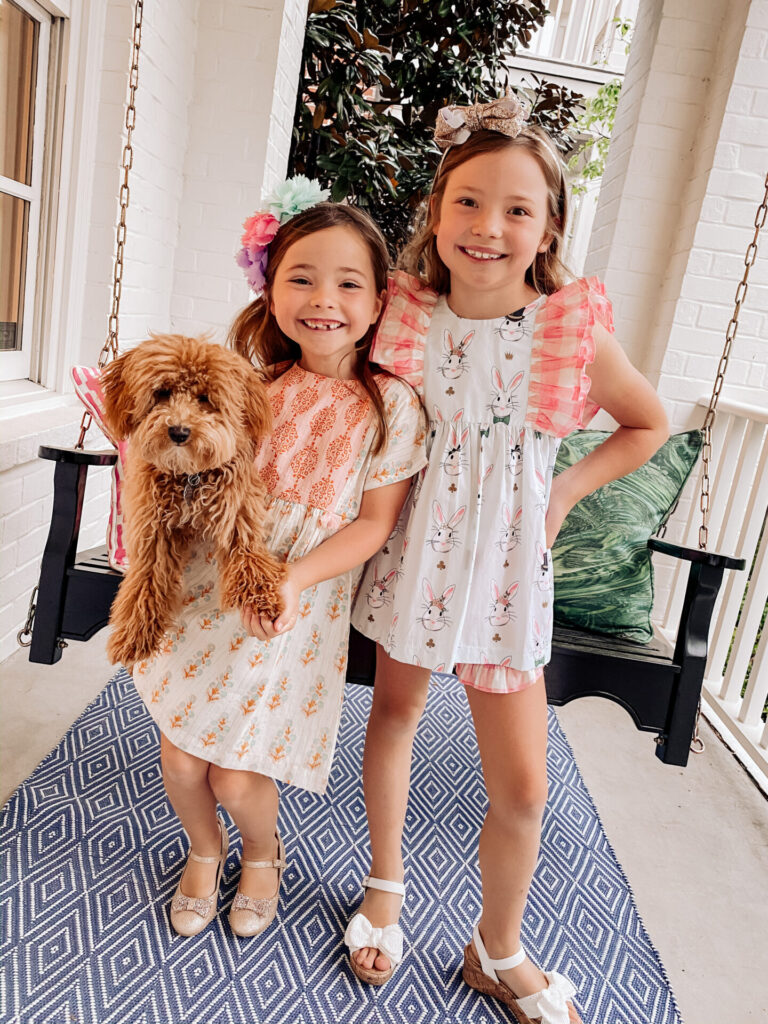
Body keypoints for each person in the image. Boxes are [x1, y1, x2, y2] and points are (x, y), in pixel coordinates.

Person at [345, 97, 669, 1022]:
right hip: (413, 555)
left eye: (517, 209)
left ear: (548, 226)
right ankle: (385, 887)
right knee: (397, 711)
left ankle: (498, 945)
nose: (489, 227)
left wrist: (563, 493)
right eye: (469, 203)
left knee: (523, 784)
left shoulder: (566, 332)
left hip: (508, 579)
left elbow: (647, 423)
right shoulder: (402, 317)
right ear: (437, 214)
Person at [132, 179, 427, 939]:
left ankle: (262, 854)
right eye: (300, 277)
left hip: (292, 606)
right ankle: (204, 849)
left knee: (235, 769)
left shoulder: (392, 405)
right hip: (206, 590)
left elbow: (371, 526)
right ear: (270, 292)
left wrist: (291, 577)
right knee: (182, 757)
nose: (322, 298)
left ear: (377, 300)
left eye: (347, 282)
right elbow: (193, 464)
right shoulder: (252, 384)